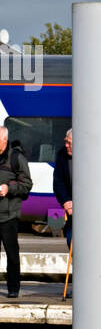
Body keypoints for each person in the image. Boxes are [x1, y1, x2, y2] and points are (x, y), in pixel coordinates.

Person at [0, 125, 33, 299]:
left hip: (9, 215)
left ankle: (13, 288)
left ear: (5, 140)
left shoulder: (16, 158)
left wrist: (8, 188)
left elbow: (27, 185)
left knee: (12, 254)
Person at [53, 128, 73, 247]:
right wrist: (65, 201)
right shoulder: (62, 155)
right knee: (71, 241)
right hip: (70, 208)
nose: (66, 145)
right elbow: (58, 181)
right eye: (66, 141)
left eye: (69, 143)